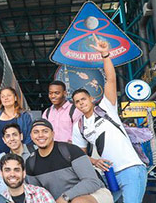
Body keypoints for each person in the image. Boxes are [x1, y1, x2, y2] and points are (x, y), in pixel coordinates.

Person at [71, 36, 147, 203]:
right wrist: (95, 161)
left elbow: (111, 80)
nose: (81, 103)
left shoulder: (106, 107)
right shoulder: (79, 126)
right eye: (77, 102)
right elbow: (79, 155)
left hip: (131, 168)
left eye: (83, 99)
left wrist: (105, 55)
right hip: (109, 175)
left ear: (91, 98)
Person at [26, 119, 112, 203]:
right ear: (31, 136)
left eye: (45, 131)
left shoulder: (70, 150)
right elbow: (36, 193)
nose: (40, 135)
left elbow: (92, 182)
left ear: (52, 134)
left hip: (94, 194)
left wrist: (66, 196)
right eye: (36, 132)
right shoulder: (31, 162)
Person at [0, 87, 33, 154]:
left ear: (15, 98)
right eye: (3, 96)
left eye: (9, 95)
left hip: (21, 156)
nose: (6, 98)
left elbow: (29, 136)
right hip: (0, 156)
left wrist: (24, 153)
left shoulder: (24, 116)